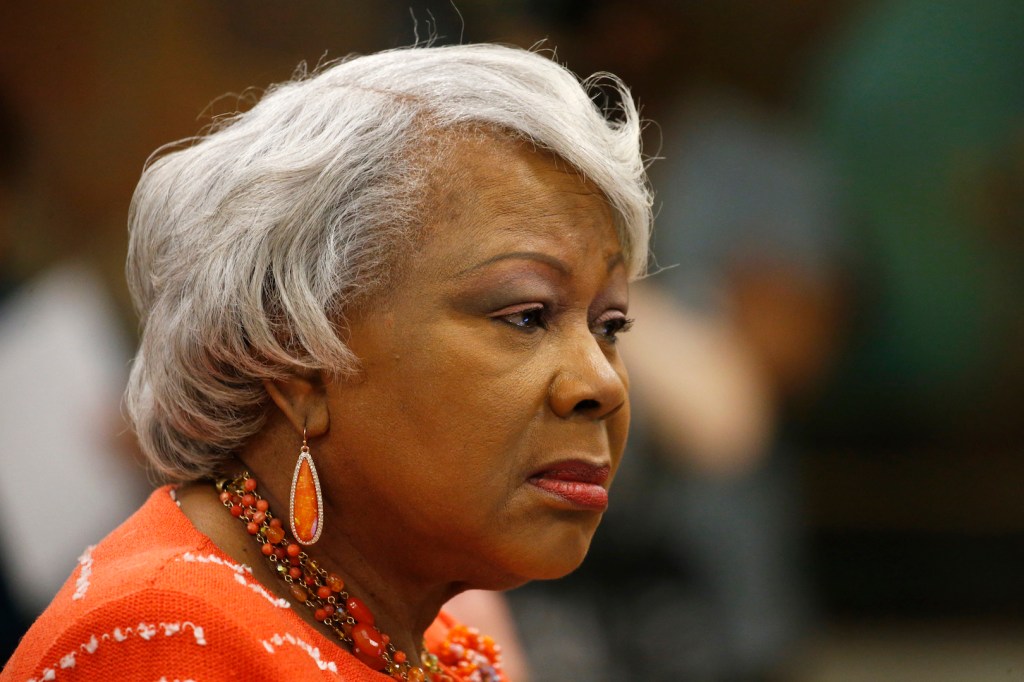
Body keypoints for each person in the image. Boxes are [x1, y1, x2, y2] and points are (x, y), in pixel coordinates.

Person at [2, 43, 652, 681]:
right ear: (295, 358)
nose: (601, 382)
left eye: (610, 325)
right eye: (526, 316)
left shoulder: (410, 636)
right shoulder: (161, 642)